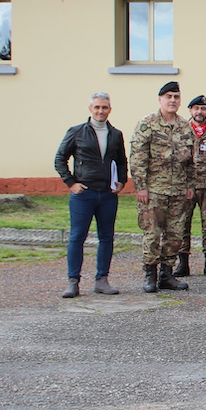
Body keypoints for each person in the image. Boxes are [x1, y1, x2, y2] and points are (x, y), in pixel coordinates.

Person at [55, 92, 128, 298]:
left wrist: (121, 180)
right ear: (90, 109)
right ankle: (73, 281)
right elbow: (60, 158)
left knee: (106, 237)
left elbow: (122, 160)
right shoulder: (77, 132)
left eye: (104, 107)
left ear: (109, 110)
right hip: (83, 194)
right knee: (77, 237)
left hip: (107, 194)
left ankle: (102, 280)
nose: (100, 111)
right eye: (96, 107)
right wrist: (71, 183)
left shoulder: (115, 134)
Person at [129, 82, 196, 293]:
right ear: (160, 100)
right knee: (152, 234)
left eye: (176, 96)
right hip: (154, 190)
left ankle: (167, 274)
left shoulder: (185, 126)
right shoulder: (147, 124)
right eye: (168, 96)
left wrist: (190, 185)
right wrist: (141, 187)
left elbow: (192, 161)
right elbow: (137, 158)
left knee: (175, 235)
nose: (172, 100)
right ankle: (150, 274)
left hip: (178, 191)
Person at [172, 95, 206, 279]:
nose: (199, 112)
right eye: (196, 108)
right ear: (190, 111)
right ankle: (182, 263)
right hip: (186, 186)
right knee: (183, 224)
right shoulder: (181, 131)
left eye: (203, 108)